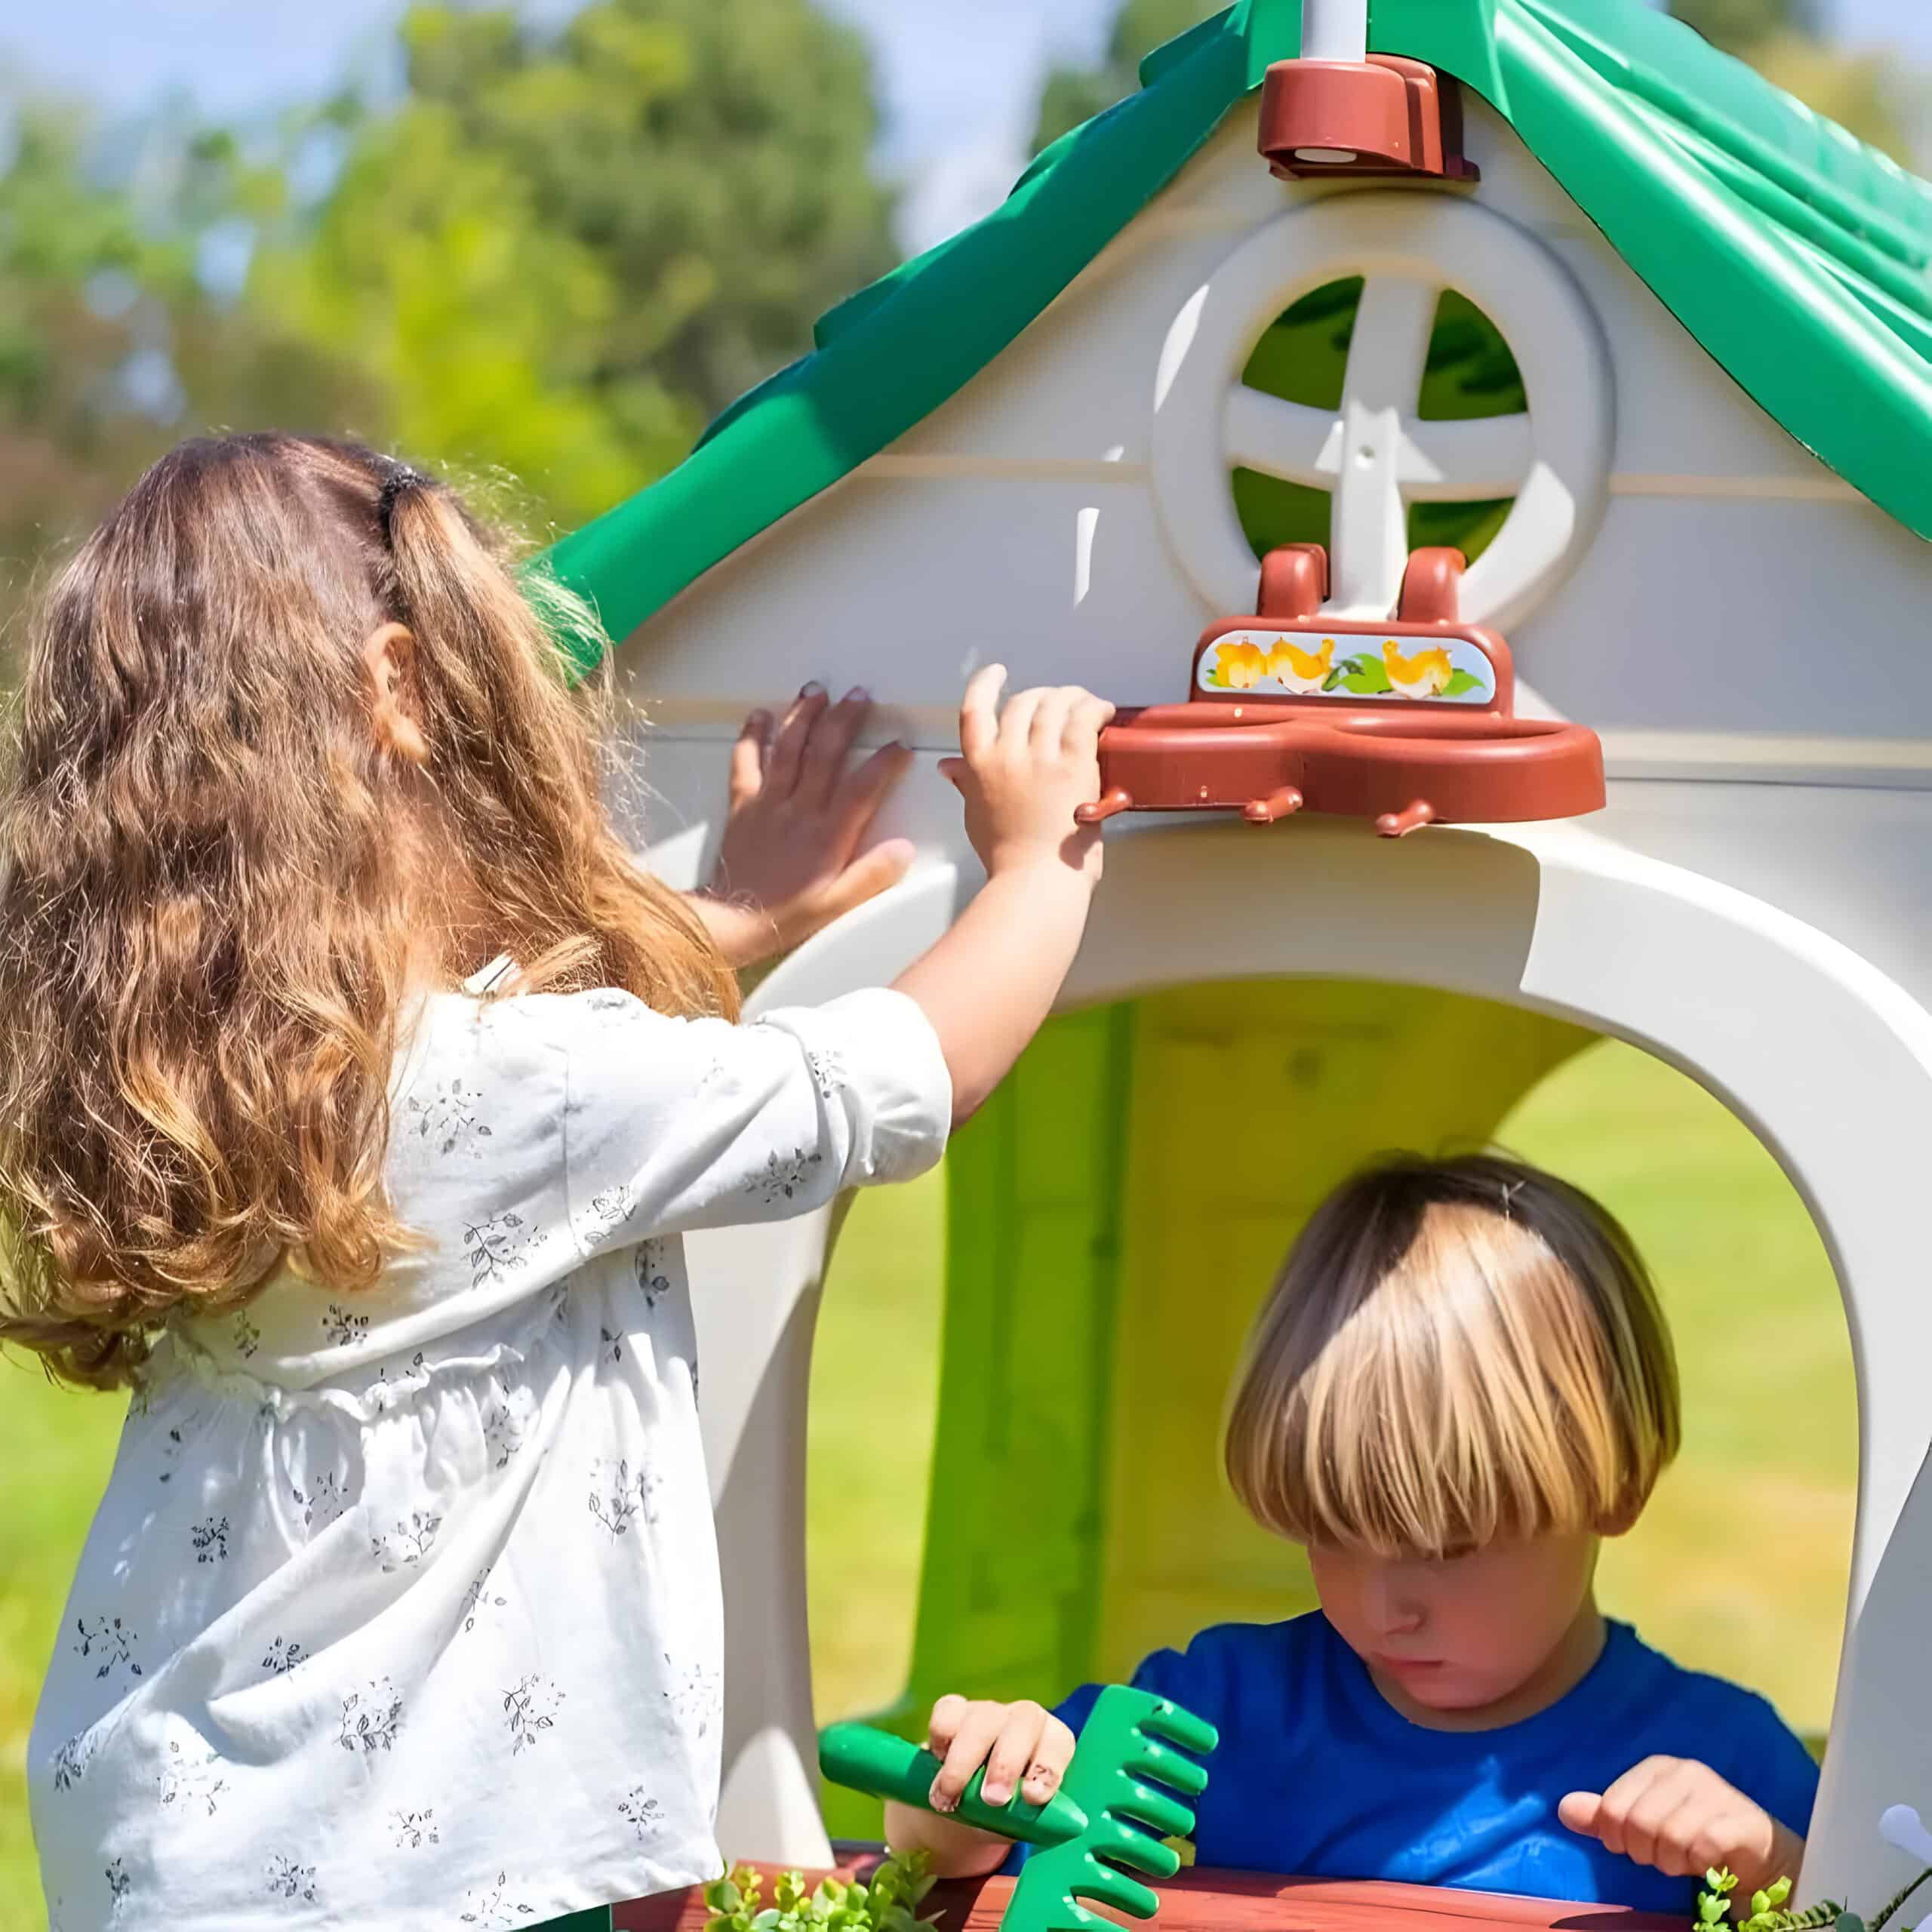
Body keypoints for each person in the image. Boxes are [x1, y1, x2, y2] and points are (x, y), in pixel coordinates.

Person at [0, 432, 1115, 1932]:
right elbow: (888, 1079)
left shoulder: (208, 1085)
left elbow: (499, 1091)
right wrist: (1044, 857)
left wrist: (727, 911)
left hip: (183, 1847)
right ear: (398, 688)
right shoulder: (516, 1087)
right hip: (443, 1874)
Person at [888, 1155, 1820, 1915]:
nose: (1382, 1609)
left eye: (1447, 1545)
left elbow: (1878, 1908)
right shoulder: (1220, 1710)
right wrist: (968, 1787)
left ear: (1615, 1485)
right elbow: (957, 1857)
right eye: (1331, 1533)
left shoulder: (1722, 1758)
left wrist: (1766, 1866)